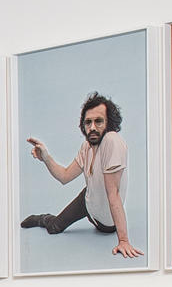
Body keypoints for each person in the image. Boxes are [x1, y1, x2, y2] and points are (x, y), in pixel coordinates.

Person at [22, 92, 141, 260]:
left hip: (106, 223)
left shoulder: (112, 141)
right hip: (87, 200)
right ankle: (43, 219)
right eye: (88, 122)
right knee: (54, 227)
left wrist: (123, 240)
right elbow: (64, 176)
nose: (92, 127)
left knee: (103, 207)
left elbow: (112, 194)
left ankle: (57, 218)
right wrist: (46, 158)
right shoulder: (86, 146)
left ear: (109, 123)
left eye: (98, 121)